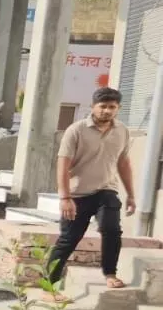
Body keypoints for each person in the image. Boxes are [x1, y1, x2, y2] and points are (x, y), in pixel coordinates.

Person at [45, 86, 136, 296]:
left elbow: (123, 163)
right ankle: (49, 286)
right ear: (93, 107)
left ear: (118, 108)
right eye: (103, 106)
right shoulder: (76, 130)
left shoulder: (122, 130)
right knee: (69, 240)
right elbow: (63, 164)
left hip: (107, 190)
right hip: (77, 194)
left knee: (111, 229)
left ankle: (110, 274)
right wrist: (65, 197)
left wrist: (131, 194)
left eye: (112, 107)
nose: (107, 111)